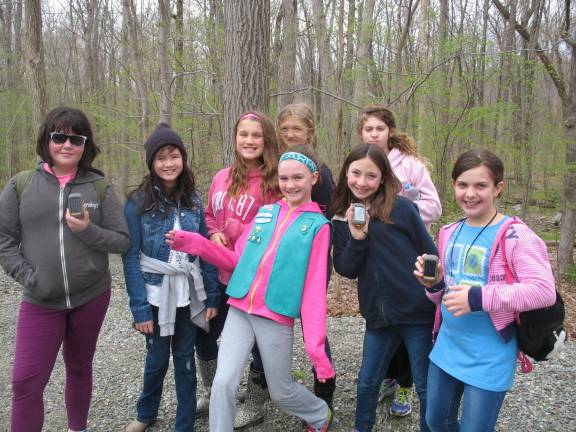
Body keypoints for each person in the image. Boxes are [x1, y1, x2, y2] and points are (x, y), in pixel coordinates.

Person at [167, 145, 335, 432]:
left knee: (281, 391)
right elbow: (235, 261)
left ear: (314, 178)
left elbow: (314, 294)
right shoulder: (265, 213)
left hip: (275, 314)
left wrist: (317, 353)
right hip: (241, 305)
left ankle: (320, 414)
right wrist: (194, 243)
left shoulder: (319, 226)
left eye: (298, 178)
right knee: (222, 383)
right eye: (284, 178)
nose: (290, 184)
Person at [0, 107, 130, 432]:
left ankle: (78, 428)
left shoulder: (99, 187)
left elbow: (122, 240)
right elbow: (3, 238)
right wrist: (29, 277)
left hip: (91, 296)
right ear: (47, 139)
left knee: (79, 367)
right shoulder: (21, 185)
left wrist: (87, 230)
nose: (67, 144)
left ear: (85, 144)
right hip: (41, 301)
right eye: (59, 136)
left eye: (76, 138)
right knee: (25, 383)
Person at [414, 149, 556, 432]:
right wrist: (435, 285)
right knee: (435, 421)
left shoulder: (516, 236)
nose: (470, 193)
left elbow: (543, 291)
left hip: (490, 354)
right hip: (447, 348)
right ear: (453, 185)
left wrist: (479, 297)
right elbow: (447, 294)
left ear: (498, 188)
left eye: (481, 186)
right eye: (463, 185)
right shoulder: (449, 232)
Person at [235, 103, 337, 429]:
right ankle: (265, 385)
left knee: (311, 321)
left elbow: (326, 212)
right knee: (265, 318)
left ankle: (324, 393)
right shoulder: (275, 166)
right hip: (273, 259)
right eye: (285, 128)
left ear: (310, 131)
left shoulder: (320, 172)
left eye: (297, 128)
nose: (291, 134)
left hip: (308, 254)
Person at [332, 144, 438, 432]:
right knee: (367, 382)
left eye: (371, 176)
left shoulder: (401, 208)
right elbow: (345, 268)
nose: (362, 182)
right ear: (346, 173)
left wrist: (436, 290)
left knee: (425, 384)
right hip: (378, 316)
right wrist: (357, 239)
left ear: (383, 178)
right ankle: (361, 427)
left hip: (417, 313)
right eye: (356, 173)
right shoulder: (342, 216)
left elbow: (430, 254)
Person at [122, 123, 220, 432]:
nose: (168, 163)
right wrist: (139, 309)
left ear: (183, 159)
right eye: (161, 157)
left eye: (174, 155)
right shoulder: (137, 203)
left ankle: (185, 423)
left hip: (188, 293)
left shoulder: (193, 199)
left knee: (185, 361)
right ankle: (145, 412)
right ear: (151, 162)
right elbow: (131, 257)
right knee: (157, 359)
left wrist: (212, 297)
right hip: (154, 295)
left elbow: (204, 250)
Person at [194, 111, 280, 419]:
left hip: (252, 279)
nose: (249, 140)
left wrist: (240, 234)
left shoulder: (274, 181)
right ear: (235, 138)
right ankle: (213, 390)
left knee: (257, 342)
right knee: (203, 331)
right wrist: (215, 231)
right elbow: (207, 214)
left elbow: (277, 229)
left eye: (256, 135)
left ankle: (256, 401)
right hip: (217, 273)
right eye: (243, 134)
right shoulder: (221, 176)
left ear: (267, 140)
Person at [357, 104, 442, 416]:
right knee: (383, 319)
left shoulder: (410, 164)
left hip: (409, 252)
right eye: (369, 129)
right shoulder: (360, 161)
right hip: (376, 258)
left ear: (389, 131)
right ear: (361, 133)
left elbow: (435, 205)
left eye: (380, 128)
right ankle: (390, 379)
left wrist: (399, 211)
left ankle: (405, 386)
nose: (375, 134)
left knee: (411, 323)